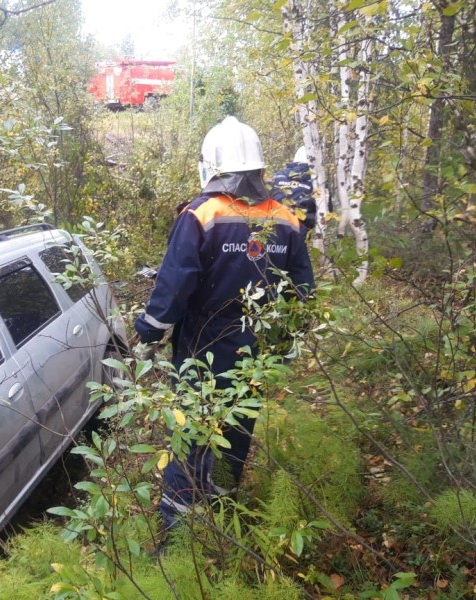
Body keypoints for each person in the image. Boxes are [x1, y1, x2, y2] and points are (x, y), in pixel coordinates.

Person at [134, 116, 315, 531]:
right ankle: (223, 513)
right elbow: (300, 290)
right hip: (254, 352)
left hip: (202, 347)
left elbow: (175, 284)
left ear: (212, 166)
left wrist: (149, 330)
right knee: (236, 427)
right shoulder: (286, 219)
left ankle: (179, 534)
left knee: (193, 433)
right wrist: (286, 342)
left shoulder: (201, 215)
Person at [271, 145, 317, 234]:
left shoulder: (277, 176)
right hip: (301, 231)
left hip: (275, 229)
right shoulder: (316, 181)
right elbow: (326, 211)